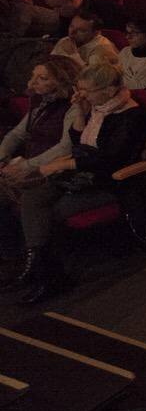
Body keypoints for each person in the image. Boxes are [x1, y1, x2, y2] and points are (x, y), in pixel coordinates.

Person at [4, 62, 146, 302]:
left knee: (53, 210)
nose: (81, 94)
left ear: (109, 89)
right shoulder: (99, 107)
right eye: (80, 88)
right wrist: (81, 112)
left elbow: (109, 160)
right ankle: (40, 267)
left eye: (88, 90)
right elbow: (79, 143)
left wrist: (61, 165)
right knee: (33, 197)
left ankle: (49, 275)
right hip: (84, 177)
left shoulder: (130, 115)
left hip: (113, 182)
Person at [0, 59, 82, 262]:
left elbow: (65, 147)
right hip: (33, 161)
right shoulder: (41, 101)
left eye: (42, 78)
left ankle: (29, 259)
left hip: (56, 167)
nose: (32, 83)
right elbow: (17, 135)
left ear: (61, 82)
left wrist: (26, 165)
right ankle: (12, 254)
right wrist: (1, 155)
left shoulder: (72, 106)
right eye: (33, 76)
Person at [51, 10, 119, 69]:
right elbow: (50, 63)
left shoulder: (102, 49)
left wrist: (73, 55)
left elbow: (93, 78)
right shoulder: (67, 40)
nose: (72, 32)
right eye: (71, 26)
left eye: (81, 30)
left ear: (95, 33)